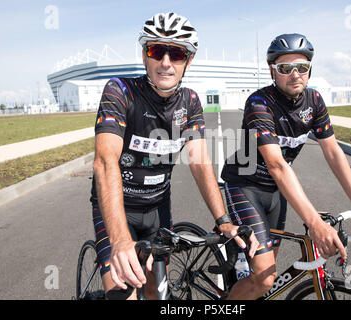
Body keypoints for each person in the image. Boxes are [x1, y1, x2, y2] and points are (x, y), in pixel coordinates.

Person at [90, 12, 258, 300]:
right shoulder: (120, 91)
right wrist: (119, 240)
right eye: (157, 50)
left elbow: (200, 161)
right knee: (123, 290)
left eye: (176, 53)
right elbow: (105, 163)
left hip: (158, 207)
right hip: (117, 209)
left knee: (156, 289)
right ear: (145, 56)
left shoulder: (190, 101)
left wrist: (223, 220)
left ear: (188, 61)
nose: (166, 62)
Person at [221, 33, 351, 300]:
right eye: (285, 69)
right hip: (245, 186)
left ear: (310, 70)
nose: (295, 74)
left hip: (277, 191)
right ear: (272, 72)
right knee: (264, 279)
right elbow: (276, 164)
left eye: (302, 67)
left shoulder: (314, 101)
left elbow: (333, 152)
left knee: (267, 274)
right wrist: (315, 223)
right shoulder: (259, 103)